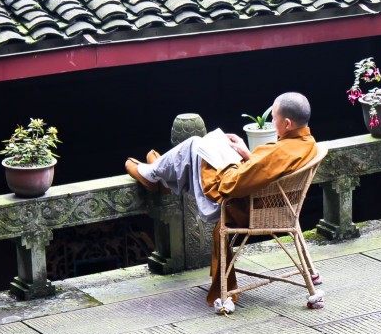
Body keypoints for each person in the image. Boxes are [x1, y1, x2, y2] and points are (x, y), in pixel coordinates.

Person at [125, 92, 317, 310]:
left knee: (196, 145)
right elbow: (265, 171)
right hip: (275, 206)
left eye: (274, 118)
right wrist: (247, 155)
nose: (272, 122)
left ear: (288, 123)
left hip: (242, 208)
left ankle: (154, 175)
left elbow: (232, 184)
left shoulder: (280, 151)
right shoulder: (307, 142)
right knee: (201, 148)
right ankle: (162, 175)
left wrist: (226, 162)